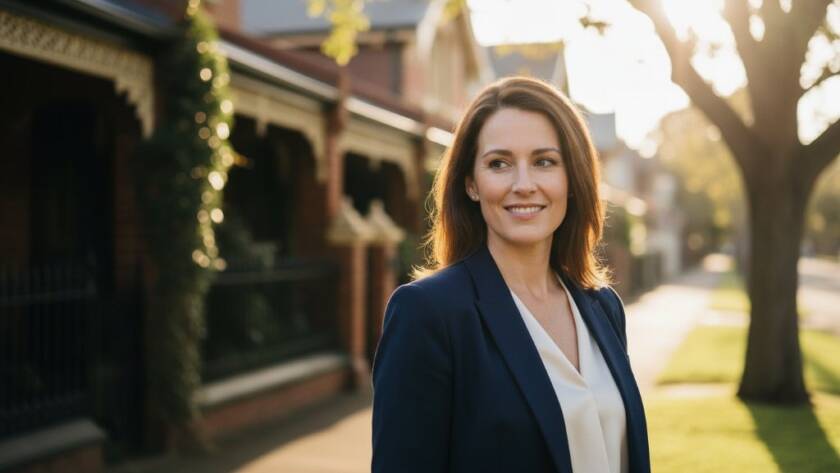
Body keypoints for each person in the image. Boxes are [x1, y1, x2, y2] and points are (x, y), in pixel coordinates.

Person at [371, 76, 650, 473]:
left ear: (572, 179)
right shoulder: (427, 314)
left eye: (544, 162)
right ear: (471, 183)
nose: (523, 184)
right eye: (499, 163)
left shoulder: (602, 307)